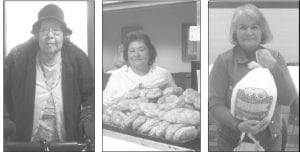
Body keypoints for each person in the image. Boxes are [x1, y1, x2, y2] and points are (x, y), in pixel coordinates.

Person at [209, 4, 298, 151]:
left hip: (270, 140)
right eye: (242, 27)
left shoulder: (276, 57)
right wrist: (237, 124)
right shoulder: (224, 61)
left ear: (262, 31)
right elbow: (214, 104)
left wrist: (273, 66)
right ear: (235, 32)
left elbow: (288, 98)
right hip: (232, 140)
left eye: (254, 27)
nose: (248, 32)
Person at [4, 4, 94, 144]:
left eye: (56, 31)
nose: (50, 35)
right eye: (44, 30)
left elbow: (91, 93)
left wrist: (87, 117)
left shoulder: (78, 59)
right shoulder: (18, 58)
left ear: (64, 36)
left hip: (66, 143)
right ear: (37, 35)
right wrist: (4, 118)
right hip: (24, 143)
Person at [103, 31, 176, 105]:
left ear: (150, 52)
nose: (136, 54)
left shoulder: (163, 74)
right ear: (127, 54)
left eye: (141, 50)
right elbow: (104, 103)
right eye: (132, 51)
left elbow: (176, 98)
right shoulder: (117, 75)